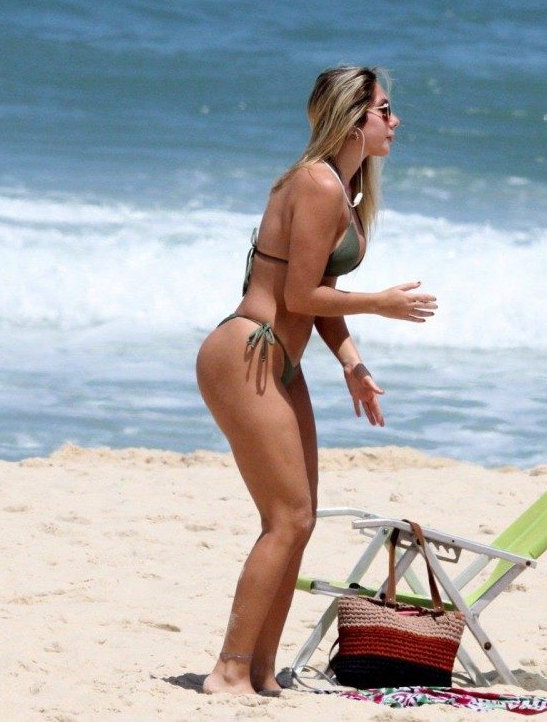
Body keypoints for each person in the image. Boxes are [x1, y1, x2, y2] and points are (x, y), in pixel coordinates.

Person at [195, 66, 437, 695]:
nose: (395, 121)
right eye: (384, 109)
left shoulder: (344, 192)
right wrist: (380, 303)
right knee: (287, 518)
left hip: (281, 360)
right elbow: (300, 294)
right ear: (353, 117)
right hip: (245, 351)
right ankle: (228, 670)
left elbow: (315, 296)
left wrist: (352, 363)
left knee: (299, 520)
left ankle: (260, 670)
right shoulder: (317, 183)